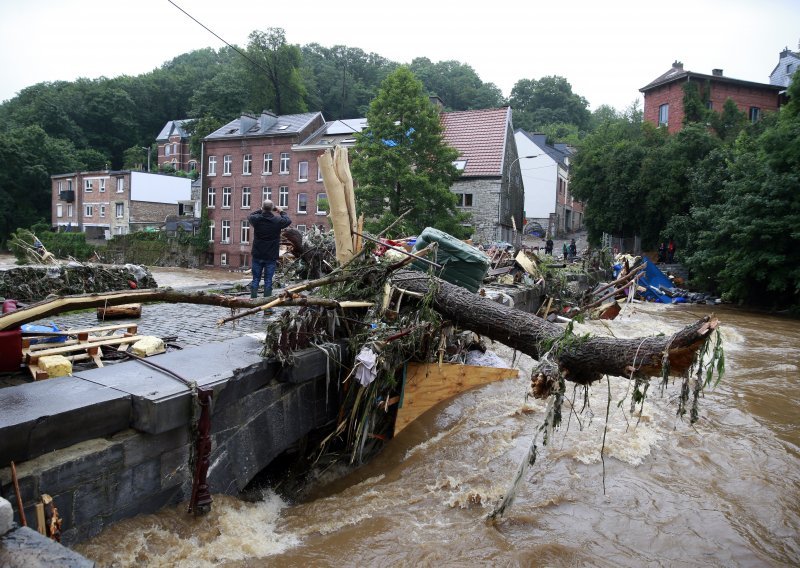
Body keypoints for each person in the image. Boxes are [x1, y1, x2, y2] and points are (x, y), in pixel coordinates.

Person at [248, 199, 291, 299]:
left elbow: (250, 216)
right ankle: (267, 306)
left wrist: (260, 210)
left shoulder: (256, 220)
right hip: (271, 256)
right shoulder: (277, 221)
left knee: (255, 279)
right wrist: (280, 211)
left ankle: (253, 302)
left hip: (257, 254)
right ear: (272, 209)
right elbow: (288, 220)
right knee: (268, 280)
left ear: (263, 208)